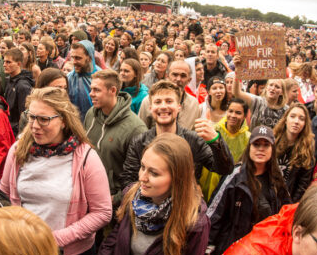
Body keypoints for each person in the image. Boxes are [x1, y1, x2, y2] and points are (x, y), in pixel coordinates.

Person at [0, 87, 112, 255]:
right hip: (26, 249)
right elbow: (4, 195)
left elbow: (103, 212)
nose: (34, 126)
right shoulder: (17, 150)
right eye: (31, 117)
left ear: (63, 120)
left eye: (44, 119)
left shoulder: (86, 157)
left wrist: (56, 239)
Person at [95, 133, 210, 255]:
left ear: (178, 178)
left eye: (154, 173)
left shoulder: (194, 220)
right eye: (142, 167)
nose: (142, 178)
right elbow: (120, 228)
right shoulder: (132, 195)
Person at [121, 80, 234, 189]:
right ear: (150, 108)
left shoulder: (193, 140)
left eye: (169, 101)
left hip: (186, 204)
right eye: (158, 102)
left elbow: (225, 169)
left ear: (179, 107)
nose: (163, 106)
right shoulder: (139, 142)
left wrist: (215, 141)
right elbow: (128, 181)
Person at [205, 125, 290, 255]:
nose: (261, 149)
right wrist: (208, 243)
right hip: (231, 250)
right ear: (249, 147)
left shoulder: (277, 179)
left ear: (272, 150)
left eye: (266, 145)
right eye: (256, 144)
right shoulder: (235, 175)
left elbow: (284, 212)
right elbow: (215, 210)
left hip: (261, 251)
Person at [85, 70, 147, 207]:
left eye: (96, 90)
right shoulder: (91, 114)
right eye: (91, 89)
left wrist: (116, 199)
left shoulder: (136, 129)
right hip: (88, 193)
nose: (91, 94)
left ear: (112, 90)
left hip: (112, 202)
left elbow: (140, 175)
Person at [197, 98, 251, 201]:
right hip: (208, 181)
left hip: (233, 184)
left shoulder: (248, 138)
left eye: (238, 113)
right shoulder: (213, 131)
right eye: (230, 111)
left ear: (244, 116)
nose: (233, 115)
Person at [139, 60, 202, 130]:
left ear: (189, 80)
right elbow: (142, 131)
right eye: (174, 75)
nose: (178, 79)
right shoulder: (149, 100)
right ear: (167, 76)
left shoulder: (193, 104)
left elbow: (195, 132)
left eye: (183, 76)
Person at [273, 103, 315, 202]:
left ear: (305, 124)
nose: (296, 121)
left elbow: (302, 186)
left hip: (287, 203)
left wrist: (290, 205)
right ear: (286, 119)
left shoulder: (306, 150)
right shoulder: (272, 141)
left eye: (301, 118)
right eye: (292, 116)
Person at [3, 48, 34, 136]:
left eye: (8, 62)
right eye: (4, 61)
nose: (4, 65)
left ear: (18, 64)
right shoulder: (9, 80)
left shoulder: (23, 86)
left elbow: (24, 115)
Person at [68, 40, 101, 121]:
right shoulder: (69, 78)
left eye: (78, 58)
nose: (74, 62)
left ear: (89, 58)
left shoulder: (101, 78)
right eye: (73, 57)